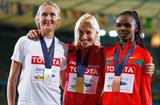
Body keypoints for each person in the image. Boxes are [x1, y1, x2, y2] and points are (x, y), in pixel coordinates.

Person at [7, 2, 68, 105]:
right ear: (37, 19)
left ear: (58, 20)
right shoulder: (24, 42)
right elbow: (12, 79)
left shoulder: (64, 48)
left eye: (52, 14)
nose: (48, 18)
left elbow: (64, 83)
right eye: (44, 14)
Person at [103, 10, 153, 105]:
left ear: (136, 28)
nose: (122, 28)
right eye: (119, 25)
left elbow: (145, 89)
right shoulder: (107, 52)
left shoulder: (143, 54)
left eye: (127, 25)